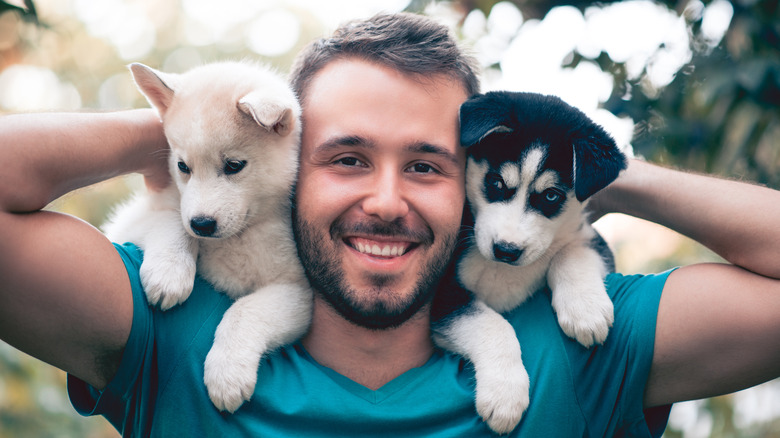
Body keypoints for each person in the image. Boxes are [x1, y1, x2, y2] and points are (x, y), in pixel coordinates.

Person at [1, 11, 779, 437]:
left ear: (472, 185)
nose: (384, 198)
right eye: (345, 158)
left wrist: (590, 164)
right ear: (290, 165)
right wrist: (193, 126)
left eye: (427, 165)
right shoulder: (170, 330)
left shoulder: (582, 343)